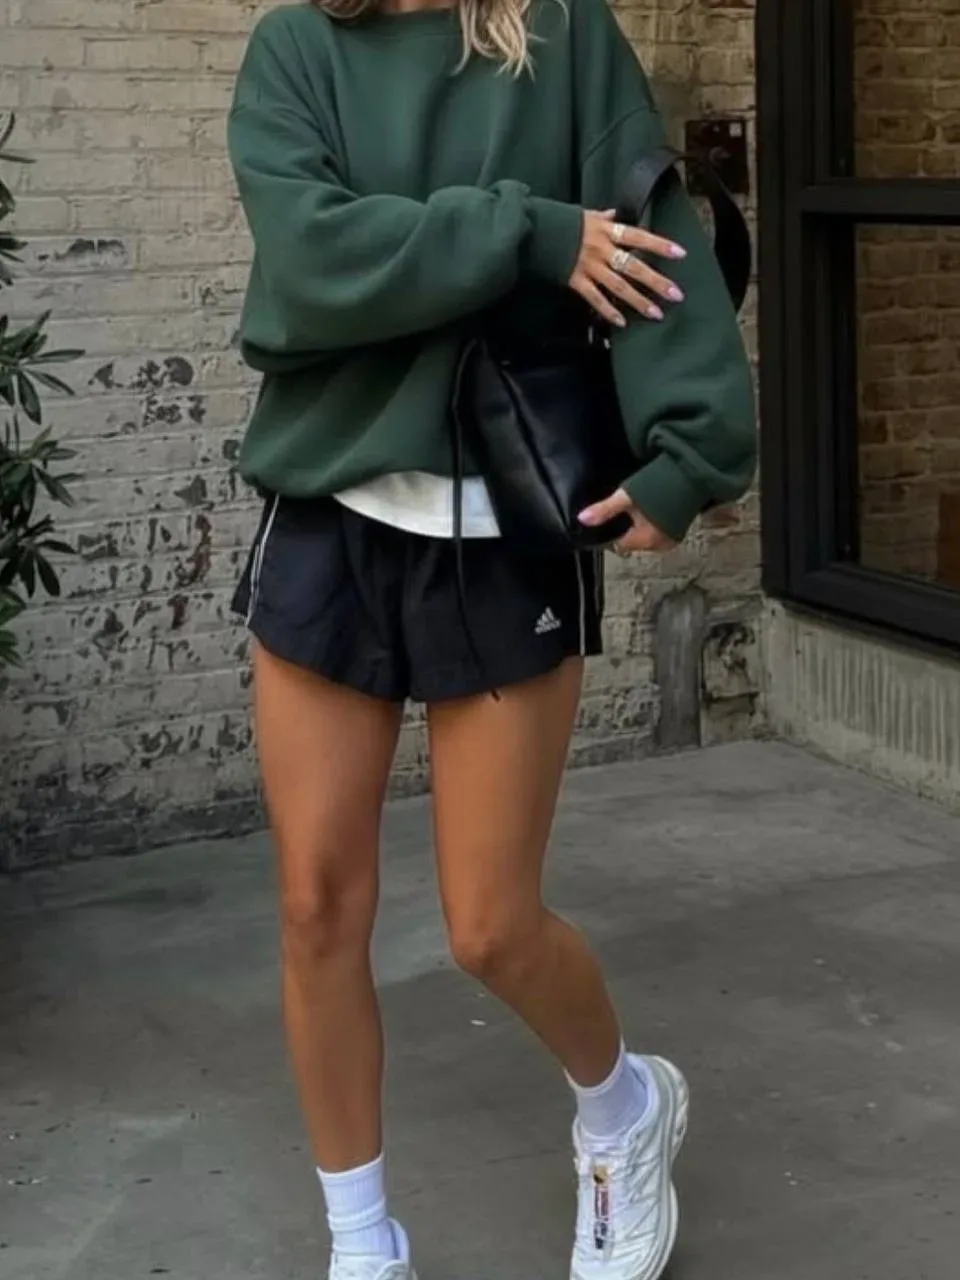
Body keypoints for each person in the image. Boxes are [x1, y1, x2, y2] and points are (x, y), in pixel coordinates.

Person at [226, 0, 755, 1275]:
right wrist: (531, 232)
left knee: (491, 925)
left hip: (506, 521)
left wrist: (690, 448)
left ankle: (624, 1106)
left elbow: (654, 241)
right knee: (313, 904)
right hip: (331, 509)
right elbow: (310, 260)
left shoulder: (563, 32)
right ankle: (364, 1242)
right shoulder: (297, 46)